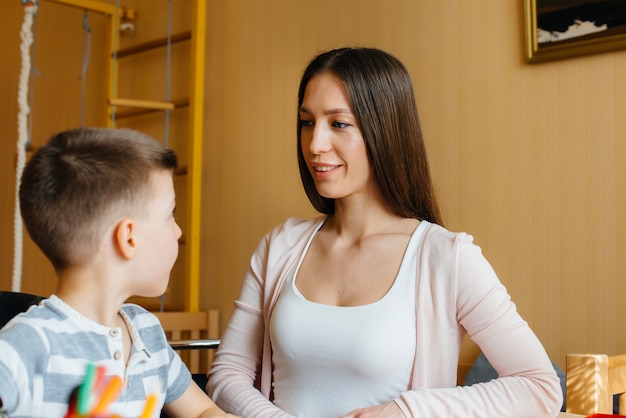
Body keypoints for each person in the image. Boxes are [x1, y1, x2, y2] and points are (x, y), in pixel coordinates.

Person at [207, 47, 563, 417]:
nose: (315, 145)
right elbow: (226, 375)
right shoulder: (280, 246)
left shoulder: (446, 257)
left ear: (384, 129)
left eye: (338, 124)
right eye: (307, 122)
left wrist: (403, 411)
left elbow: (538, 386)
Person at [0, 127, 238, 418]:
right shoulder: (26, 344)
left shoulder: (146, 331)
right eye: (170, 215)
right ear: (128, 238)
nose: (178, 231)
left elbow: (203, 412)